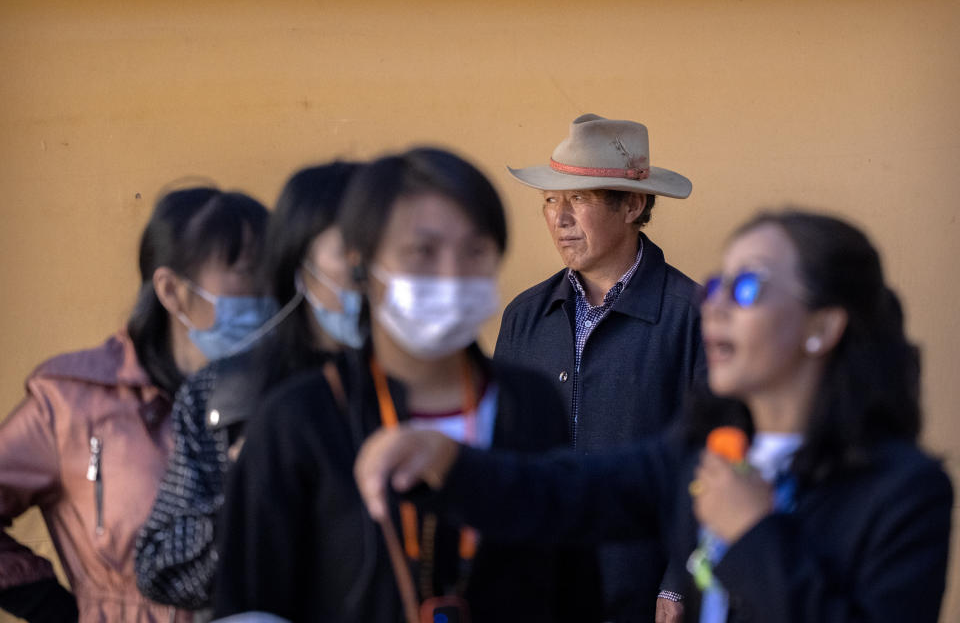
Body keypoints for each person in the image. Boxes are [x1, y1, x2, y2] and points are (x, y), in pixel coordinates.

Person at [355, 210, 954, 623]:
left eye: (747, 289)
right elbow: (566, 490)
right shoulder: (703, 453)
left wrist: (754, 535)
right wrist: (450, 461)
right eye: (718, 284)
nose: (713, 305)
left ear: (824, 326)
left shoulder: (905, 490)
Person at [213, 147, 599, 623]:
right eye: (423, 253)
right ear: (362, 263)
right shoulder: (299, 420)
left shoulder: (532, 406)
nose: (452, 275)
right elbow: (250, 603)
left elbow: (575, 592)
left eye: (475, 251)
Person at [0, 187, 271, 622]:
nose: (268, 293)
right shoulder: (73, 401)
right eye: (248, 273)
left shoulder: (288, 391)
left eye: (276, 273)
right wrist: (60, 611)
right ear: (172, 290)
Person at [496, 112, 705, 620]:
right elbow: (499, 454)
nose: (559, 217)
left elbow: (711, 460)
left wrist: (677, 584)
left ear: (633, 204)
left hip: (640, 597)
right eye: (550, 199)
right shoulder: (525, 316)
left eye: (579, 199)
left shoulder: (693, 318)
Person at [134, 162, 362, 616]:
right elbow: (160, 570)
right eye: (349, 252)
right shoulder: (221, 394)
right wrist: (248, 494)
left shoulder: (457, 384)